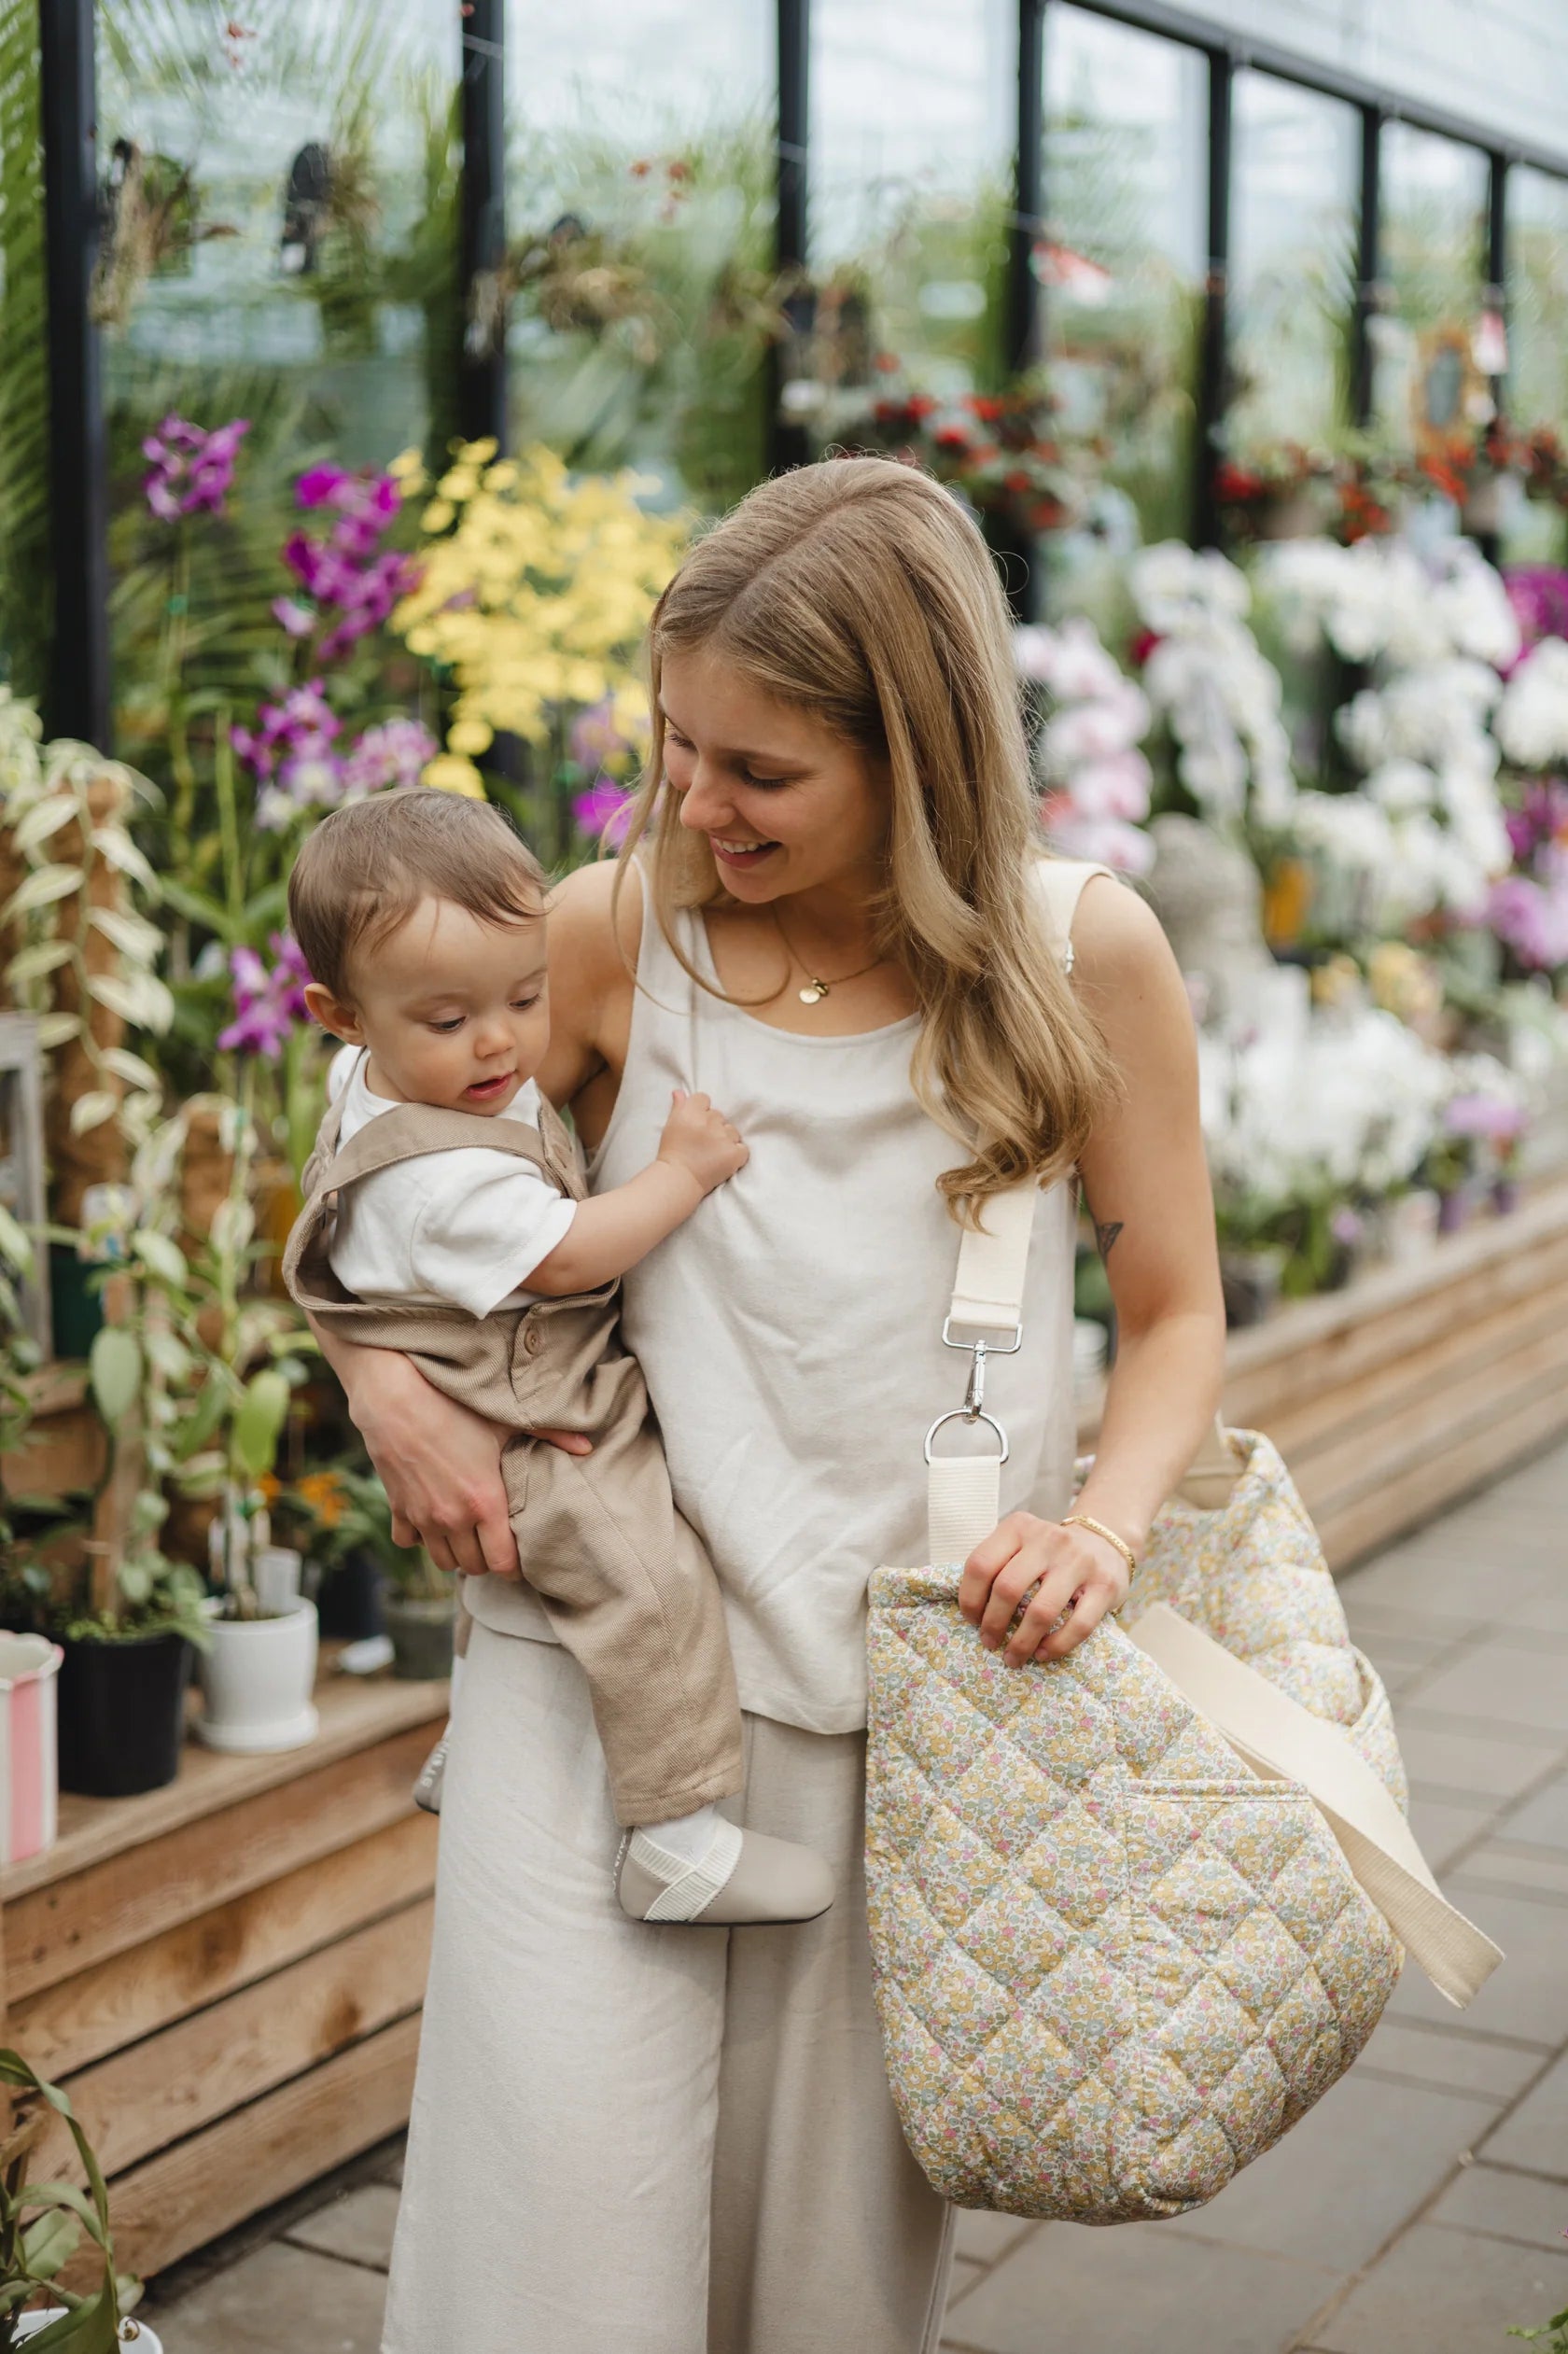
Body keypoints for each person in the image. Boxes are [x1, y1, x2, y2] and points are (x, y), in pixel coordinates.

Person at [312, 456, 1226, 2354]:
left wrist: (1101, 1532)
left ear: (919, 749)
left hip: (903, 1704)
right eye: (673, 746)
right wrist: (377, 1376)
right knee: (547, 2269)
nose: (690, 805)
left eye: (758, 771)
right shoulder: (606, 930)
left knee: (820, 2297)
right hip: (587, 1679)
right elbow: (377, 1176)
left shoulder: (1080, 957)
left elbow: (1175, 1312)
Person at [282, 790, 834, 1926]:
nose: (498, 1042)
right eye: (448, 1020)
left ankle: (476, 1754)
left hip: (471, 1373)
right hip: (526, 1398)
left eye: (524, 996)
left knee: (518, 1590)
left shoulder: (374, 1078)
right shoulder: (441, 1181)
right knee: (648, 1580)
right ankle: (675, 1836)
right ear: (339, 1013)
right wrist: (680, 1170)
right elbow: (575, 1257)